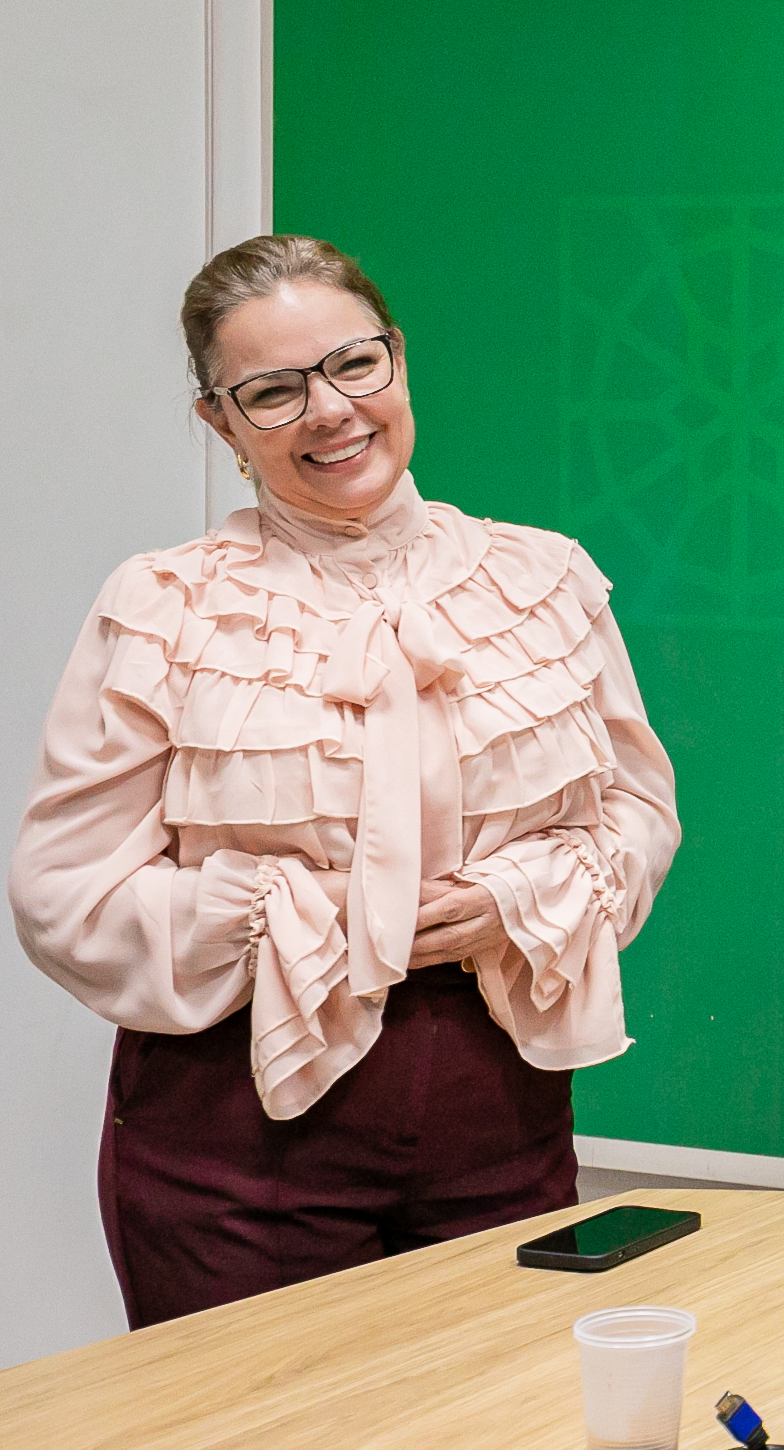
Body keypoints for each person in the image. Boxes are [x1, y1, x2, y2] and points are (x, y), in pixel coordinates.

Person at [9, 235, 680, 1327]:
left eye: (354, 365)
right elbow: (63, 896)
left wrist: (515, 899)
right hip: (233, 1144)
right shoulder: (165, 606)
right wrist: (293, 913)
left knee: (496, 1423)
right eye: (274, 391)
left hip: (498, 1117)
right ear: (221, 424)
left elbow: (637, 816)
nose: (330, 410)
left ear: (397, 360)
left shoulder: (544, 579)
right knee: (253, 1433)